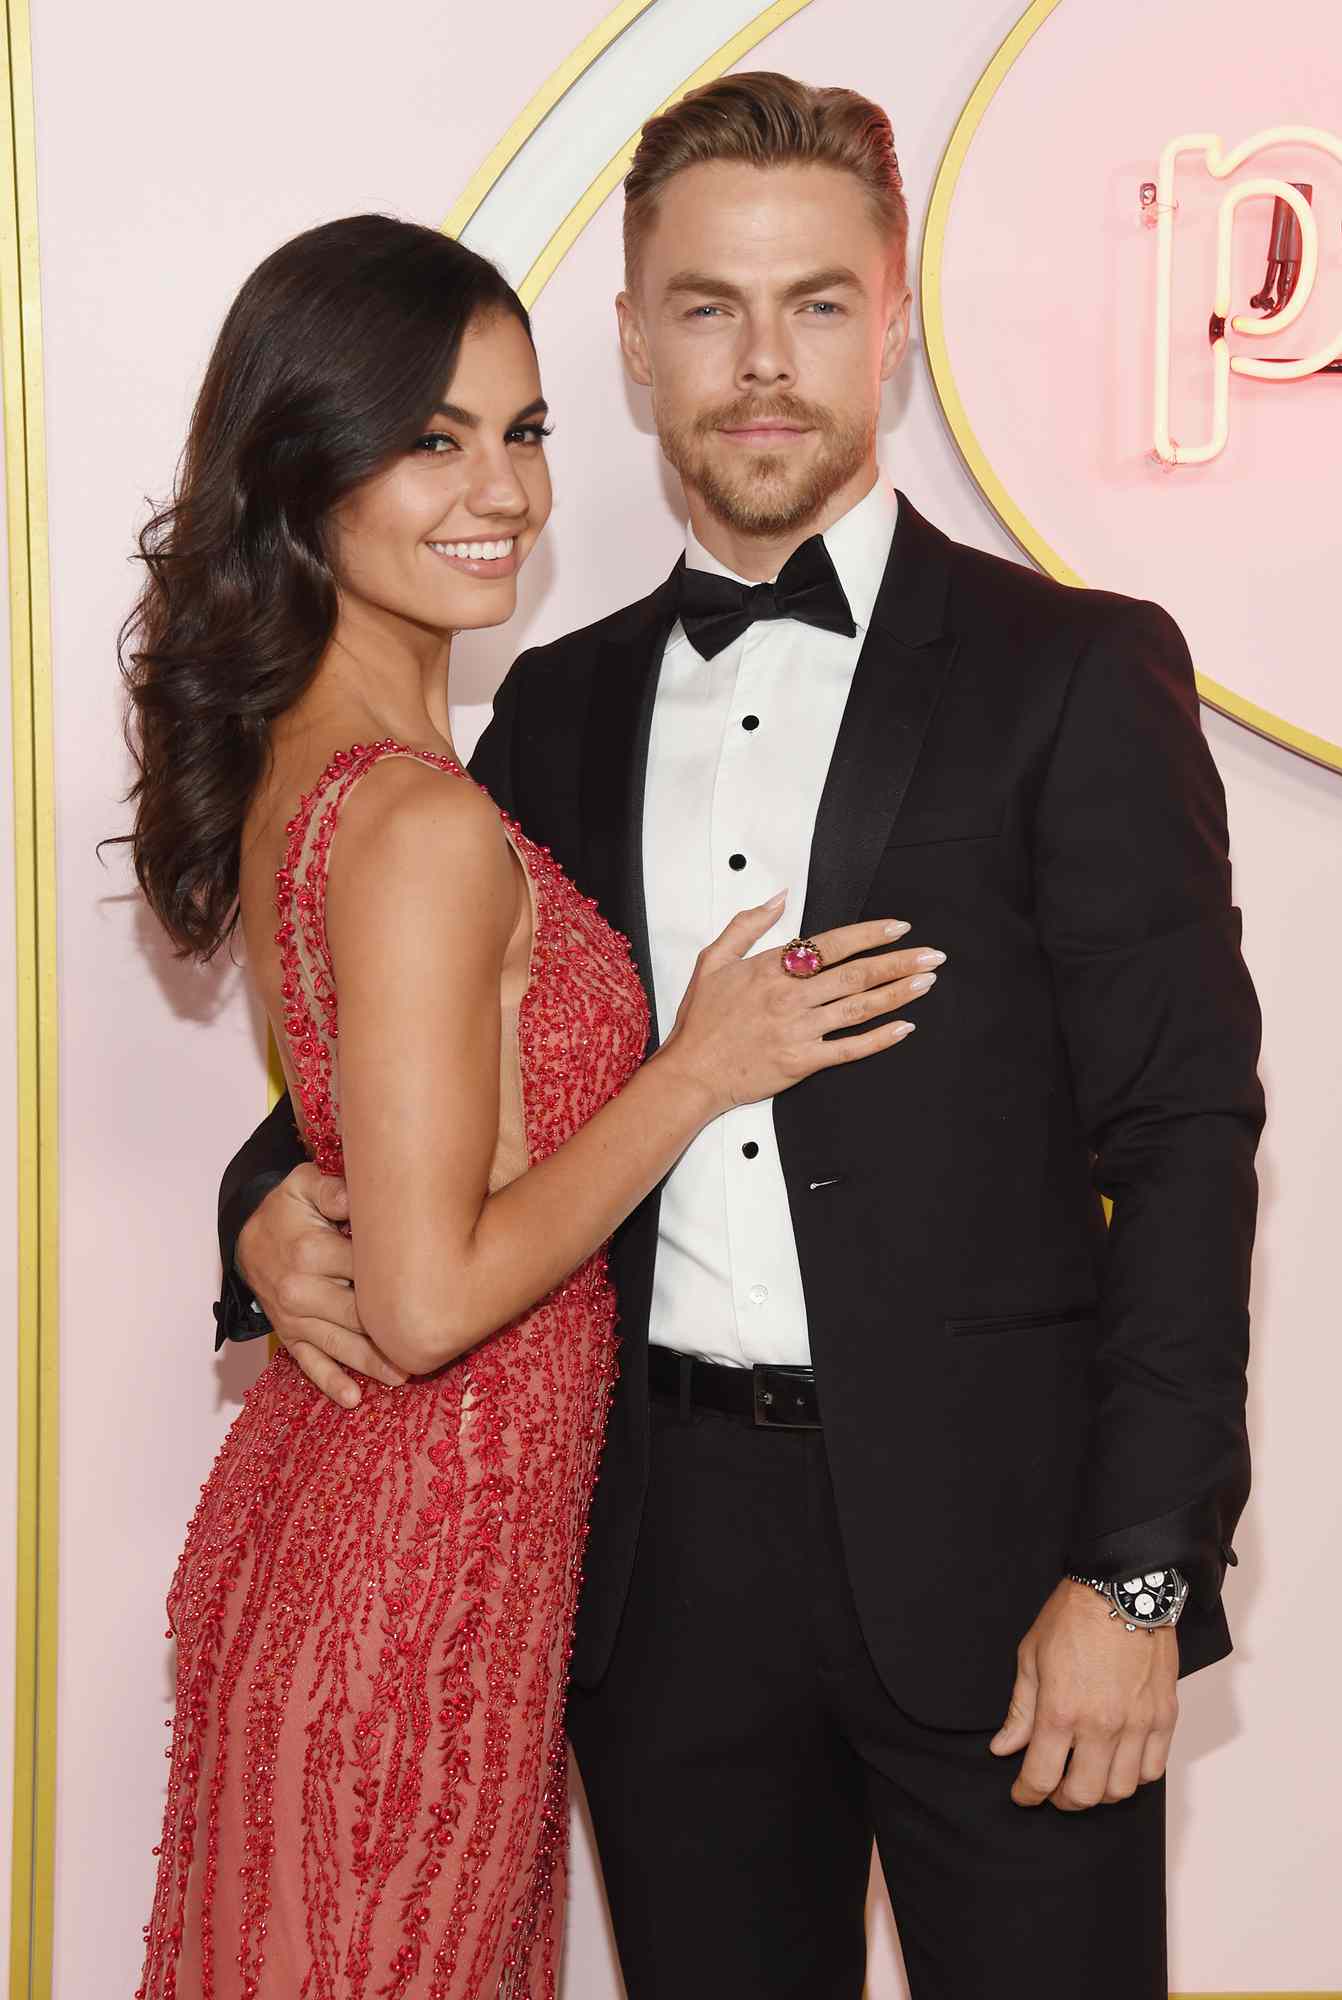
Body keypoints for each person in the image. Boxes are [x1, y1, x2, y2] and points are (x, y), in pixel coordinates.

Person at [214, 77, 1264, 2000]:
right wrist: (264, 1214)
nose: (762, 365)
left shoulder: (1073, 672)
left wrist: (1139, 1570)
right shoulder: (555, 703)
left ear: (894, 321)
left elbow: (1186, 1137)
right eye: (706, 307)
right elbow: (419, 1045)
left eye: (812, 305)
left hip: (1004, 1560)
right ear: (630, 342)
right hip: (649, 1567)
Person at [124, 212, 928, 2000]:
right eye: (430, 438)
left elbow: (375, 1127)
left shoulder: (349, 769)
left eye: (526, 429)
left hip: (439, 1566)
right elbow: (421, 1302)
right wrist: (696, 1072)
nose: (502, 489)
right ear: (301, 468)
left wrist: (275, 1208)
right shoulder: (413, 818)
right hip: (409, 1577)